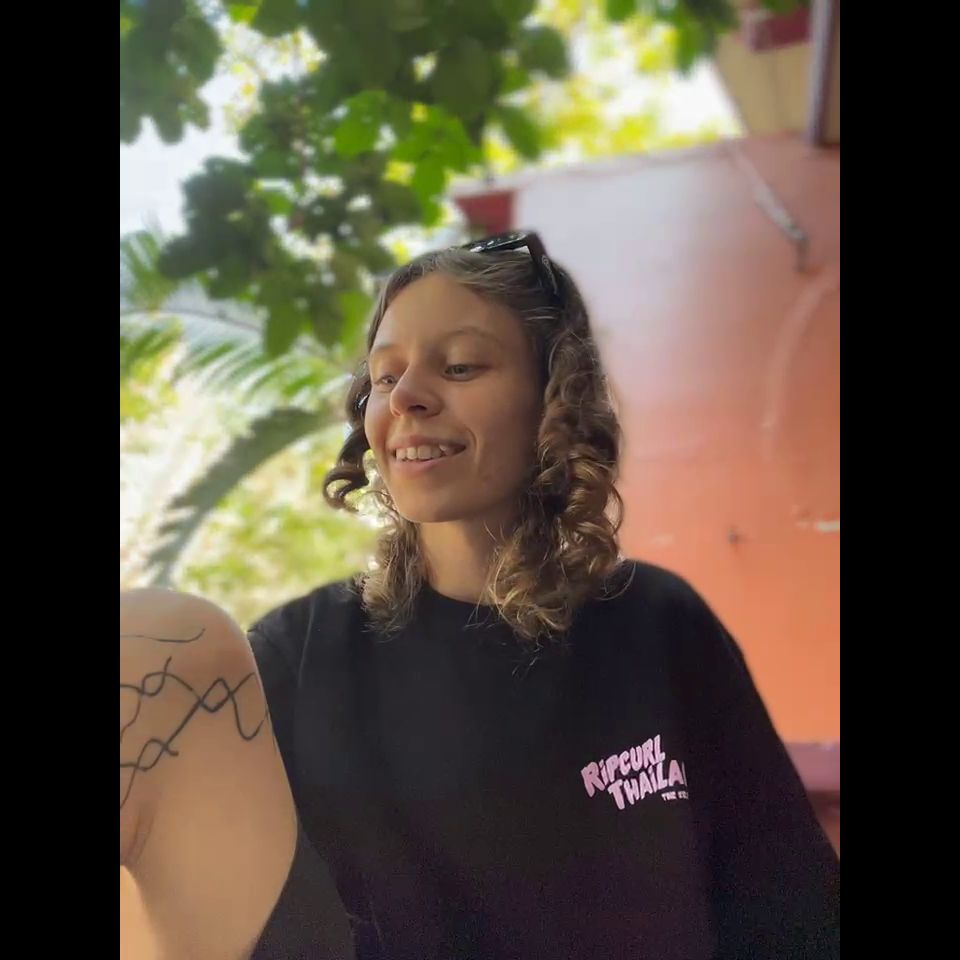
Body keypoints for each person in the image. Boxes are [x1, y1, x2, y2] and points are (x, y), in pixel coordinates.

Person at [122, 232, 840, 959]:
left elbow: (791, 908)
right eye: (384, 376)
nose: (406, 398)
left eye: (460, 365)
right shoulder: (296, 657)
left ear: (553, 399)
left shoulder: (660, 625)